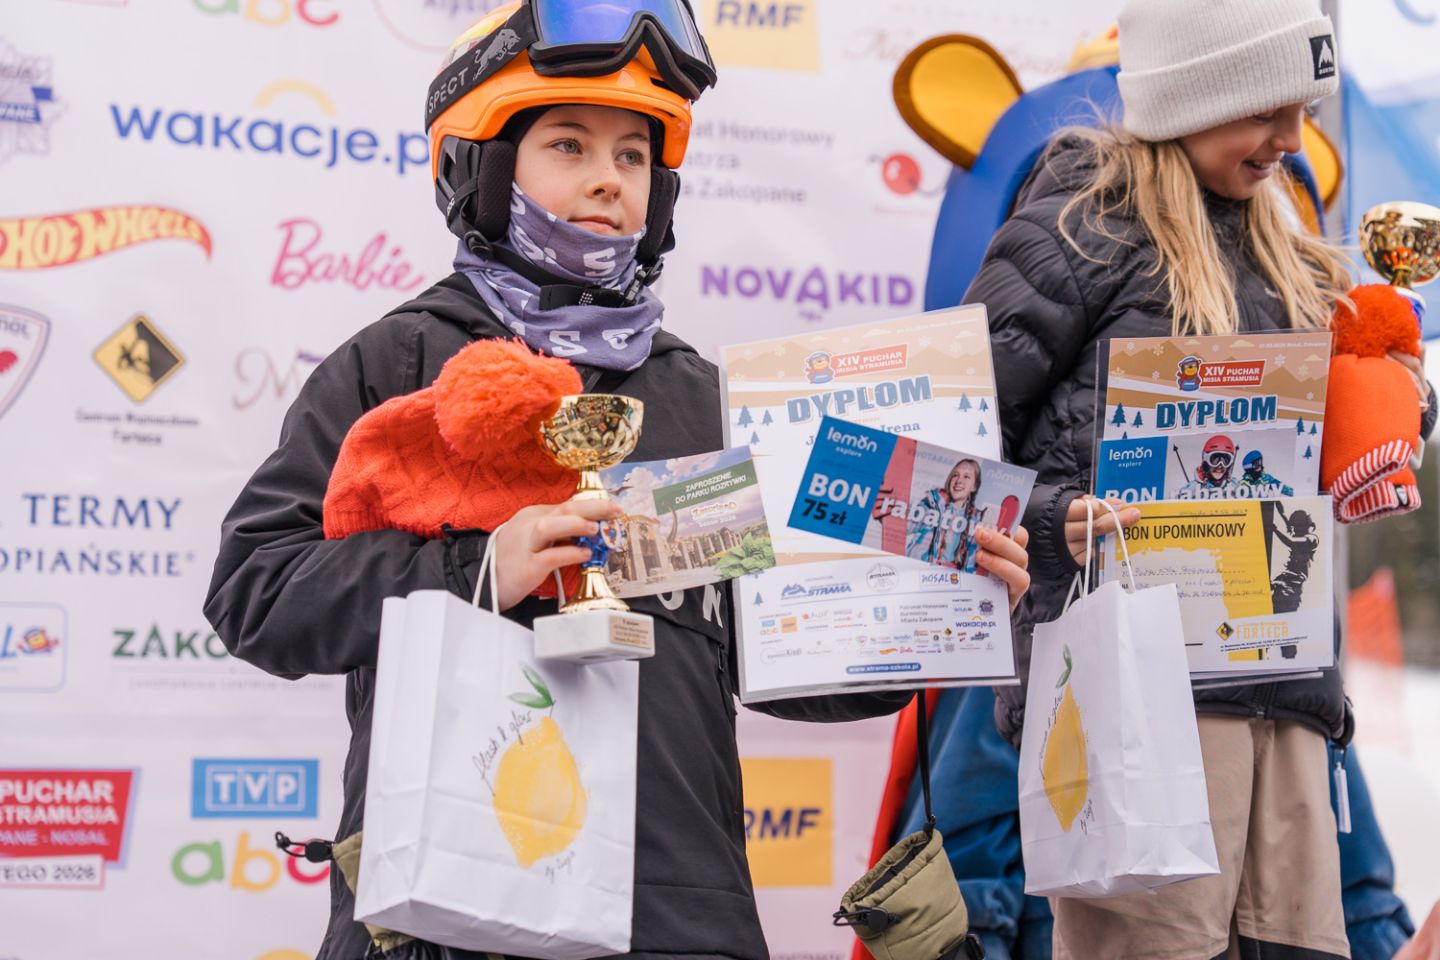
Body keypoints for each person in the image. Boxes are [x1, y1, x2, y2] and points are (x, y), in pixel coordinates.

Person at [203, 4, 1035, 959]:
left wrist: (923, 623)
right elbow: (255, 590)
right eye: (569, 144)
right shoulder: (395, 362)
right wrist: (478, 569)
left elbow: (771, 655)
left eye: (633, 155)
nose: (608, 177)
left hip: (679, 914)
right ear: (481, 168)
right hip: (450, 909)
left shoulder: (700, 397)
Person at [964, 0, 1437, 955]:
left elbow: (1315, 459)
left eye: (1303, 110)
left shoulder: (1286, 245)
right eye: (1267, 109)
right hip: (1136, 704)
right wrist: (1054, 521)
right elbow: (947, 451)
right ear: (1191, 95)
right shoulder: (1080, 227)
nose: (1291, 140)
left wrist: (1389, 403)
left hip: (1286, 698)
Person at [906, 458, 983, 567]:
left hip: (948, 575)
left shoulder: (974, 521)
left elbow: (971, 563)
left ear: (974, 486)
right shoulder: (933, 503)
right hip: (916, 567)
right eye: (955, 475)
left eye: (966, 477)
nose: (959, 481)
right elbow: (905, 526)